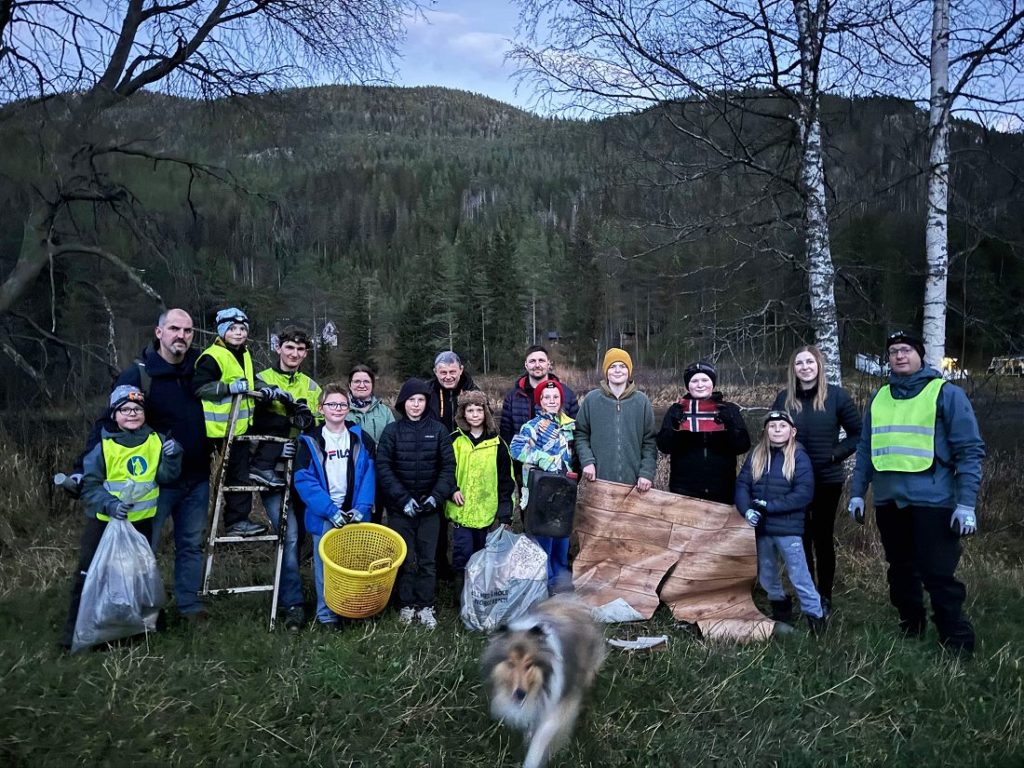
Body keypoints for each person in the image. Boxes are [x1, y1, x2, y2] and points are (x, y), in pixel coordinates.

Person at [849, 331, 985, 654]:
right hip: (888, 501)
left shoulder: (946, 394)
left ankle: (956, 641)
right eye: (893, 351)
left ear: (920, 355)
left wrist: (966, 503)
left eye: (906, 350)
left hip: (934, 501)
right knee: (899, 570)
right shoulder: (879, 398)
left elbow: (970, 451)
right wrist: (857, 492)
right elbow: (865, 449)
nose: (899, 356)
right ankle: (911, 627)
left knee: (938, 574)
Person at [74, 308, 212, 621]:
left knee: (191, 545)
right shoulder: (139, 374)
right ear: (159, 332)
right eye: (174, 328)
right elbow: (107, 422)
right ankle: (136, 609)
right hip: (154, 481)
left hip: (198, 476)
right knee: (141, 546)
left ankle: (189, 606)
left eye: (188, 331)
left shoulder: (200, 370)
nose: (182, 336)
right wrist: (82, 467)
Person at [59, 386, 183, 648]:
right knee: (90, 574)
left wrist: (174, 457)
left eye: (137, 409)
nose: (132, 414)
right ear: (114, 415)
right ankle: (75, 634)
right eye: (125, 410)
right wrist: (110, 505)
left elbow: (166, 477)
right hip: (104, 522)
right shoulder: (103, 446)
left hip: (140, 523)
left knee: (138, 576)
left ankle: (140, 628)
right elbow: (90, 487)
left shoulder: (156, 440)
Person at [771, 345, 862, 612]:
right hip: (793, 481)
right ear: (793, 369)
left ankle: (825, 596)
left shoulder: (836, 397)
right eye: (799, 363)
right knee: (800, 537)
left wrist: (835, 455)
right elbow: (773, 433)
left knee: (822, 537)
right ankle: (807, 593)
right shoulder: (784, 399)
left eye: (810, 362)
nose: (805, 367)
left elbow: (858, 434)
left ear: (819, 365)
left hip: (827, 479)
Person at [248, 325, 321, 630]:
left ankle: (303, 591)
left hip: (302, 470)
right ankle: (293, 605)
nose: (294, 354)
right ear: (278, 348)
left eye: (300, 350)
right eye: (289, 348)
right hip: (271, 469)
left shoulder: (313, 386)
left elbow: (317, 428)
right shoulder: (262, 379)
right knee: (287, 535)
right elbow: (250, 423)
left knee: (304, 535)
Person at [292, 384, 376, 630]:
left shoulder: (361, 438)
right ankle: (327, 614)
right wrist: (330, 510)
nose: (337, 409)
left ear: (348, 408)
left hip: (355, 513)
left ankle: (353, 609)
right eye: (331, 404)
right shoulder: (310, 441)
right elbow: (304, 481)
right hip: (326, 515)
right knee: (325, 567)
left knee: (356, 564)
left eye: (342, 404)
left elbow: (369, 474)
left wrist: (361, 507)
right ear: (321, 408)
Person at [736, 410, 826, 635]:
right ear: (765, 430)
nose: (777, 430)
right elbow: (742, 485)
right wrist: (746, 510)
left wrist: (769, 506)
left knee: (799, 575)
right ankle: (781, 613)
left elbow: (804, 493)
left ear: (792, 431)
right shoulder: (757, 454)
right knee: (767, 574)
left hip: (788, 529)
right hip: (762, 529)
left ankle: (816, 619)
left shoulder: (799, 456)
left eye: (782, 426)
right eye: (772, 426)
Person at [376, 378, 457, 630]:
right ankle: (406, 604)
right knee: (404, 557)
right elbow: (384, 467)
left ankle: (426, 605)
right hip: (401, 508)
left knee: (427, 558)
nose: (416, 405)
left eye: (421, 400)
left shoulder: (439, 430)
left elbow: (447, 467)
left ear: (426, 403)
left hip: (430, 508)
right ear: (403, 402)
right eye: (411, 400)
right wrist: (403, 499)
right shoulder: (392, 431)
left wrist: (436, 497)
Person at [192, 307, 266, 537]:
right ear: (222, 331)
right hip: (216, 431)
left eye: (242, 329)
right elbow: (199, 388)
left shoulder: (244, 354)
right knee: (214, 479)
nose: (238, 333)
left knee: (239, 476)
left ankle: (237, 521)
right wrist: (227, 388)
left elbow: (251, 382)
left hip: (239, 428)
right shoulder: (212, 356)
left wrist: (268, 390)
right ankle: (201, 527)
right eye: (232, 329)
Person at [446, 390, 516, 600]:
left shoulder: (498, 444)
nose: (475, 414)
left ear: (486, 413)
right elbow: (445, 469)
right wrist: (451, 490)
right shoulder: (455, 441)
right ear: (463, 414)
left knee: (484, 557)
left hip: (487, 513)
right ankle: (462, 597)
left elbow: (506, 481)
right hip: (462, 511)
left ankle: (481, 596)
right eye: (470, 410)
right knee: (462, 554)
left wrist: (505, 513)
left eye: (479, 410)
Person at [510, 380, 578, 593]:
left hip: (563, 491)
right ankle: (543, 584)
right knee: (543, 539)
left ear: (561, 400)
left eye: (555, 397)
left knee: (562, 537)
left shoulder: (569, 426)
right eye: (547, 398)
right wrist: (543, 458)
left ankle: (561, 581)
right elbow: (516, 449)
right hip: (541, 492)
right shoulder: (531, 426)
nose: (551, 401)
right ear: (540, 401)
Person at [656, 361, 751, 504]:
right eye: (694, 381)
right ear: (688, 385)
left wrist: (730, 424)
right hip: (684, 489)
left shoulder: (729, 409)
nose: (700, 385)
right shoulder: (677, 410)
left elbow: (742, 446)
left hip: (722, 489)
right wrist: (674, 426)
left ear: (712, 383)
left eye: (705, 380)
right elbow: (664, 446)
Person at [427, 351, 479, 582]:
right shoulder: (427, 392)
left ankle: (468, 567)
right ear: (436, 372)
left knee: (463, 511)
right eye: (443, 372)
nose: (448, 377)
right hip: (435, 459)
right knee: (436, 515)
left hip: (465, 459)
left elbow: (482, 422)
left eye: (452, 372)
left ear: (461, 369)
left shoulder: (473, 391)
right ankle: (439, 566)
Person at [575, 348, 657, 494]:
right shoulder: (591, 400)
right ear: (606, 371)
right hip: (598, 481)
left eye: (622, 366)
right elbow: (581, 434)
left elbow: (649, 442)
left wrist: (646, 473)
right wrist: (587, 462)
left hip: (634, 485)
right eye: (612, 366)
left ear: (629, 371)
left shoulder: (642, 401)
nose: (617, 370)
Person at [499, 344, 579, 445]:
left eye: (541, 360)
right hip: (521, 458)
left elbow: (577, 432)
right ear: (526, 365)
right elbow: (505, 434)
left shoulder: (567, 395)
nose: (537, 365)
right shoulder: (513, 397)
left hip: (557, 459)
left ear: (548, 364)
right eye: (532, 361)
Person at [346, 364, 395, 524]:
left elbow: (392, 441)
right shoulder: (340, 409)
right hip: (348, 474)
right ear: (350, 384)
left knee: (375, 517)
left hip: (378, 472)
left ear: (372, 385)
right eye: (357, 381)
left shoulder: (384, 411)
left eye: (366, 381)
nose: (362, 385)